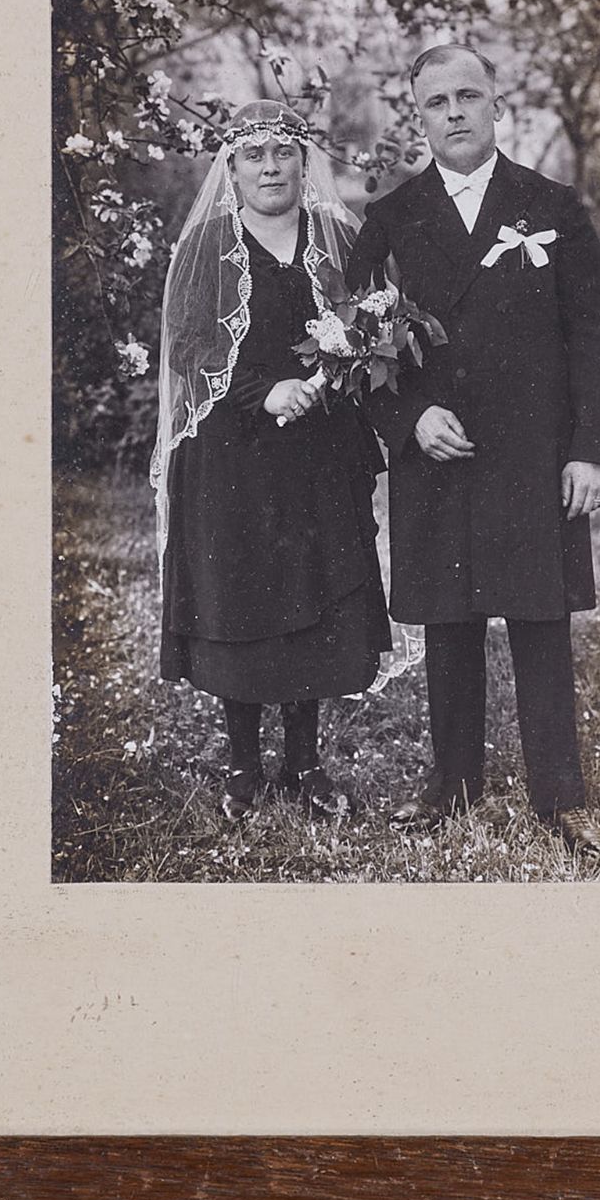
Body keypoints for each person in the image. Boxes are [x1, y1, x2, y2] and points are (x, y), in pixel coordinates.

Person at [345, 44, 600, 853]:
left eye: (470, 95)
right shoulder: (391, 218)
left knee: (541, 615)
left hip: (535, 454)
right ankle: (453, 781)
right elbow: (355, 345)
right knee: (449, 619)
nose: (456, 112)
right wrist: (408, 420)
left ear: (497, 105)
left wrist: (591, 452)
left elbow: (594, 338)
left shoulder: (553, 206)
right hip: (442, 456)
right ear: (419, 117)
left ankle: (558, 791)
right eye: (438, 102)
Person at [152, 103, 390, 820]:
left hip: (319, 455)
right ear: (231, 170)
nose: (269, 169)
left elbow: (374, 325)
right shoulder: (207, 248)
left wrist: (336, 376)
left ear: (302, 162)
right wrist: (265, 394)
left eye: (282, 154)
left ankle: (306, 764)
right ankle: (243, 766)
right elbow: (190, 349)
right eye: (252, 157)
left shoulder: (339, 238)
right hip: (231, 457)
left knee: (315, 597)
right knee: (244, 600)